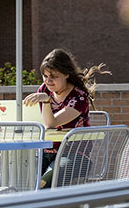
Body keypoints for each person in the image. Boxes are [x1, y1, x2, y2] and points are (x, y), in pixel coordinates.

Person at [22, 49, 94, 188]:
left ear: (66, 74)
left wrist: (46, 101)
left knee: (43, 183)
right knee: (6, 180)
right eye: (45, 76)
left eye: (53, 76)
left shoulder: (78, 97)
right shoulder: (44, 89)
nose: (48, 81)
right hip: (45, 152)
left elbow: (51, 124)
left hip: (74, 156)